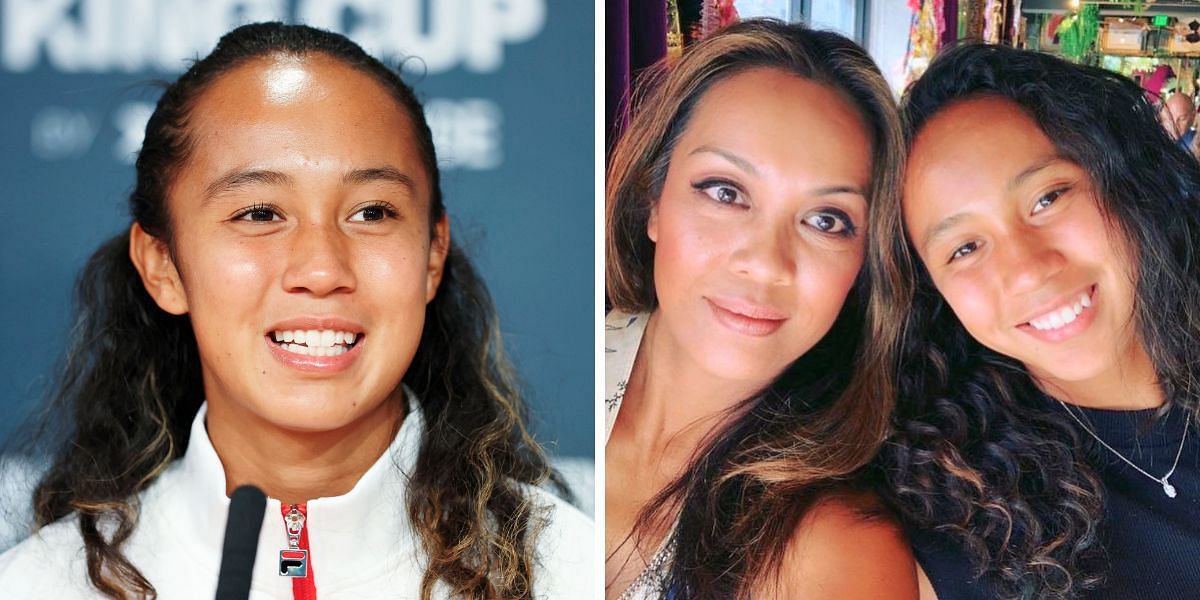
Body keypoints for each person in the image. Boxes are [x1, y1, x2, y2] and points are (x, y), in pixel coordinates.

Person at [0, 22, 591, 599]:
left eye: (372, 212)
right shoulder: (40, 585)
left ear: (432, 255)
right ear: (163, 265)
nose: (321, 270)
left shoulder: (575, 573)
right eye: (259, 213)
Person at [865, 43, 1200, 599]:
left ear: (1122, 180)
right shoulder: (951, 527)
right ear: (932, 294)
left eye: (1048, 198)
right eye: (965, 247)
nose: (1026, 270)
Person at [605, 18, 915, 600]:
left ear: (864, 266)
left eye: (827, 221)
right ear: (653, 200)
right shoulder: (519, 377)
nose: (768, 262)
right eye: (726, 191)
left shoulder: (837, 552)